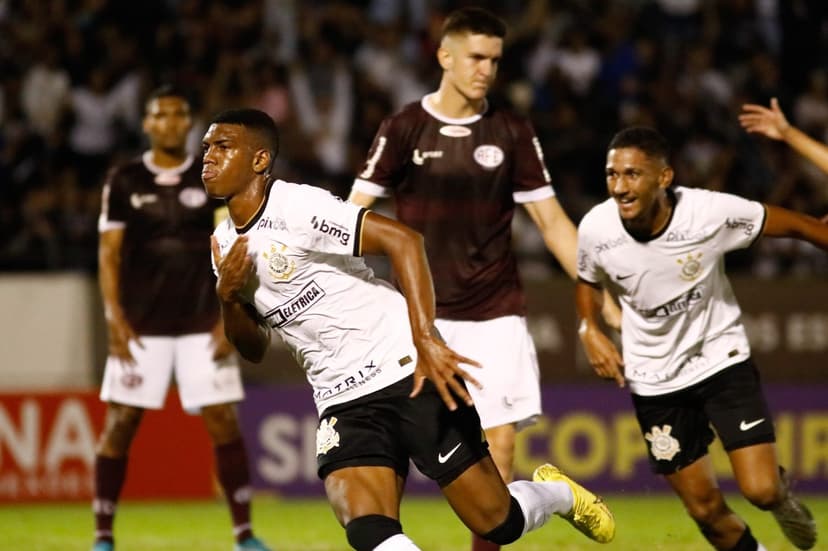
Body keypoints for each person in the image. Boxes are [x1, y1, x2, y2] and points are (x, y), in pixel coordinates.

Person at [203, 107, 615, 551]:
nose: (207, 156)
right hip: (341, 399)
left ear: (260, 160)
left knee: (498, 522)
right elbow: (253, 348)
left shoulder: (297, 206)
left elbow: (404, 241)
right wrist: (228, 296)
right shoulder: (224, 245)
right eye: (206, 147)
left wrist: (425, 340)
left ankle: (556, 494)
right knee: (366, 528)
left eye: (222, 146)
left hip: (404, 367)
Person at [346, 9, 619, 550]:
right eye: (476, 57)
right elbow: (354, 211)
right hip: (417, 321)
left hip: (495, 315)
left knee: (495, 470)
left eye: (495, 60)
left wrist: (602, 298)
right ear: (444, 57)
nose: (486, 70)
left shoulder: (511, 130)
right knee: (390, 456)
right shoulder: (404, 128)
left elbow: (553, 222)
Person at [575, 126, 823, 551]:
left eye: (633, 174)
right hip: (654, 381)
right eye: (612, 175)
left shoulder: (710, 214)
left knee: (760, 491)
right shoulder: (597, 227)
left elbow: (799, 226)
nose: (619, 187)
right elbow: (587, 279)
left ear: (664, 178)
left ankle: (781, 494)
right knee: (705, 511)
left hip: (720, 358)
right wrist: (589, 327)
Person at [93, 85, 270, 551]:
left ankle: (244, 535)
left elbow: (231, 245)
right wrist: (114, 319)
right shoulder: (125, 179)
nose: (170, 122)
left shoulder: (209, 174)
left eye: (178, 114)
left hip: (200, 322)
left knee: (223, 422)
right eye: (160, 114)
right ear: (147, 123)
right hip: (141, 326)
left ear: (190, 123)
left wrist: (226, 318)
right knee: (120, 423)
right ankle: (103, 536)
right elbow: (109, 255)